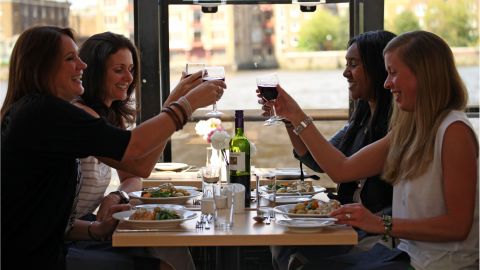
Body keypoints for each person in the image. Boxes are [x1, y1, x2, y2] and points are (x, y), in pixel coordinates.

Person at [1, 26, 225, 270]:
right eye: (70, 59)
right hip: (33, 260)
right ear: (41, 67)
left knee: (162, 248)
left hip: (45, 249)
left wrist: (96, 230)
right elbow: (134, 151)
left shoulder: (36, 111)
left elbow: (44, 215)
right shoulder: (44, 113)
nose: (82, 65)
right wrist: (187, 104)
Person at [270, 30, 478, 270]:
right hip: (407, 255)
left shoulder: (454, 131)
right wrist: (293, 115)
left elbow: (457, 226)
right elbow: (341, 169)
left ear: (423, 74)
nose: (387, 83)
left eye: (393, 73)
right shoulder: (411, 129)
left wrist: (381, 223)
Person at [261, 30, 397, 270]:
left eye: (353, 64)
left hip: (375, 234)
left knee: (293, 250)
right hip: (348, 225)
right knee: (282, 243)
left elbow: (340, 171)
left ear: (378, 69)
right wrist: (289, 120)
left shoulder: (397, 127)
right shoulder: (362, 118)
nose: (345, 72)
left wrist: (298, 115)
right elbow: (317, 161)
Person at [64, 32, 197, 270]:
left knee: (168, 244)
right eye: (119, 70)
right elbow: (140, 163)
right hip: (68, 238)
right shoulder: (80, 115)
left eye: (132, 69)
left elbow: (134, 176)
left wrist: (118, 195)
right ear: (95, 73)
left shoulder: (111, 118)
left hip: (87, 227)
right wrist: (181, 106)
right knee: (163, 261)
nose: (129, 77)